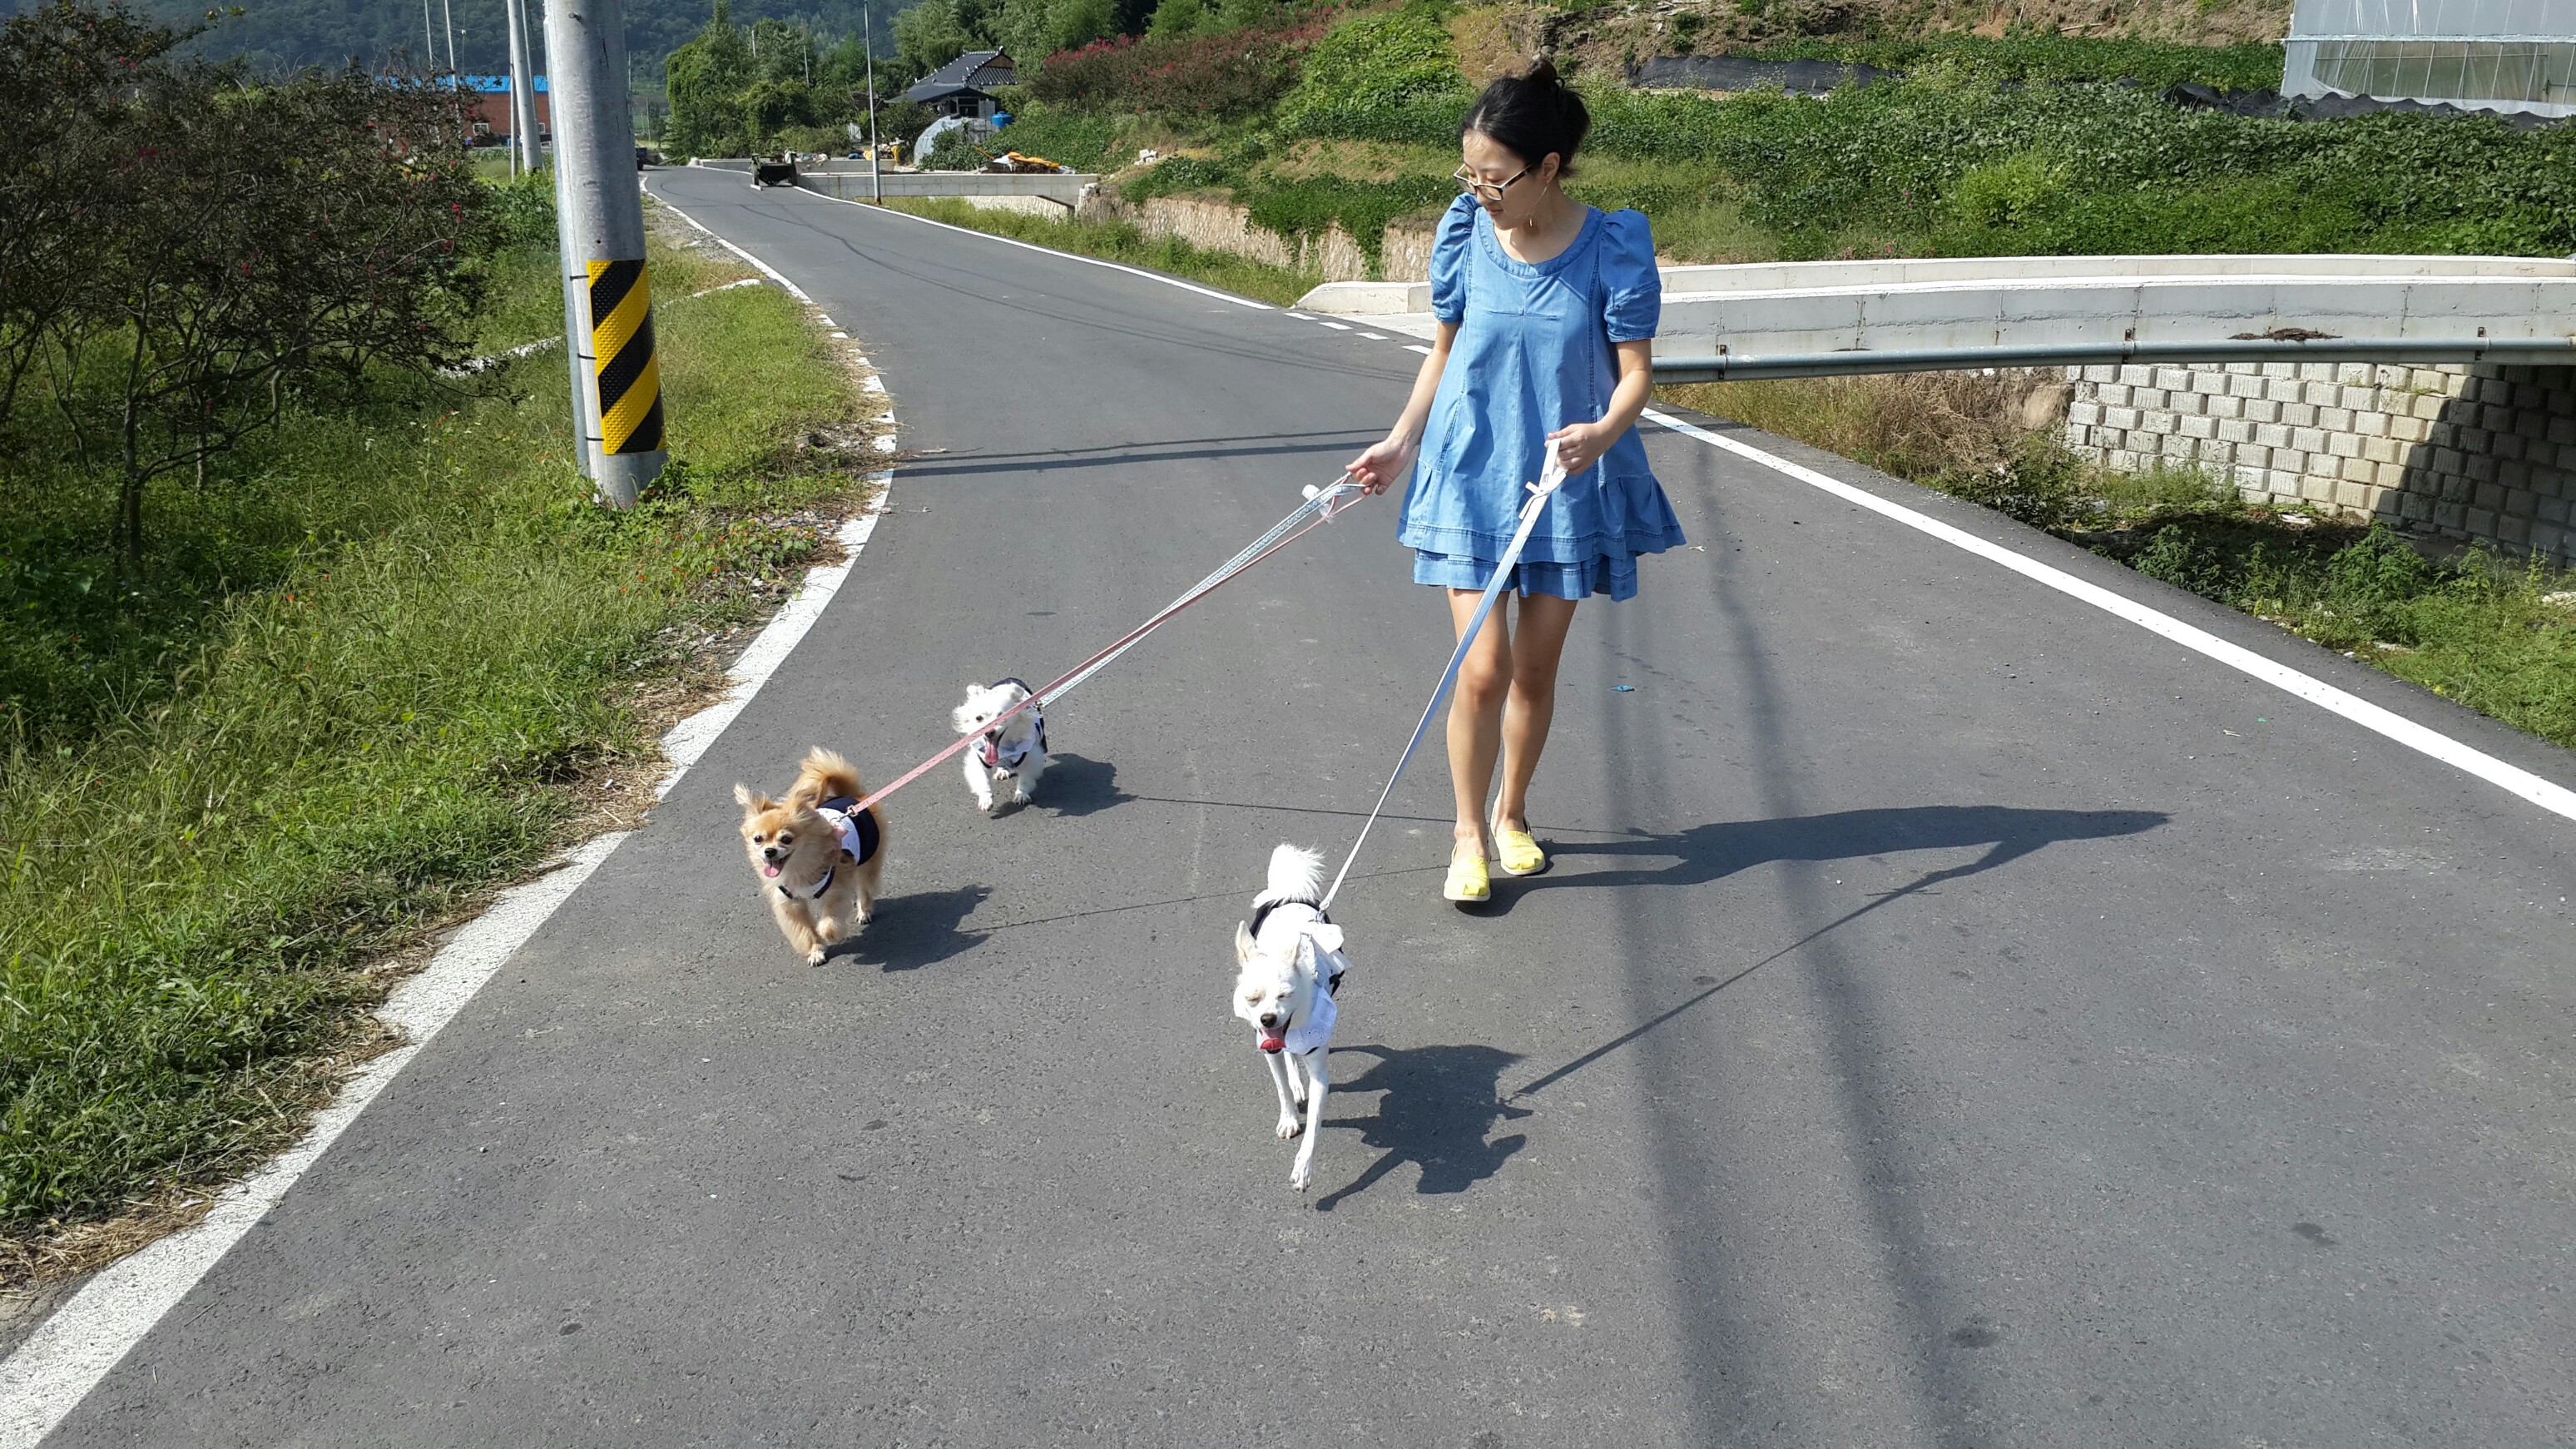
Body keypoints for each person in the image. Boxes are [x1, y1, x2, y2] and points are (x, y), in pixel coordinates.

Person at [1345, 59, 1683, 905]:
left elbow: (1636, 372)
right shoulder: (1464, 231)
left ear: (1548, 169)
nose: (1481, 190)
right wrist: (1399, 443)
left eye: (1496, 177)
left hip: (1564, 486)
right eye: (1471, 174)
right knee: (1483, 667)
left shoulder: (1613, 244)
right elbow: (1444, 350)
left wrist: (1604, 432)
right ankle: (1465, 833)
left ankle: (1512, 814)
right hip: (1468, 475)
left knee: (1535, 672)